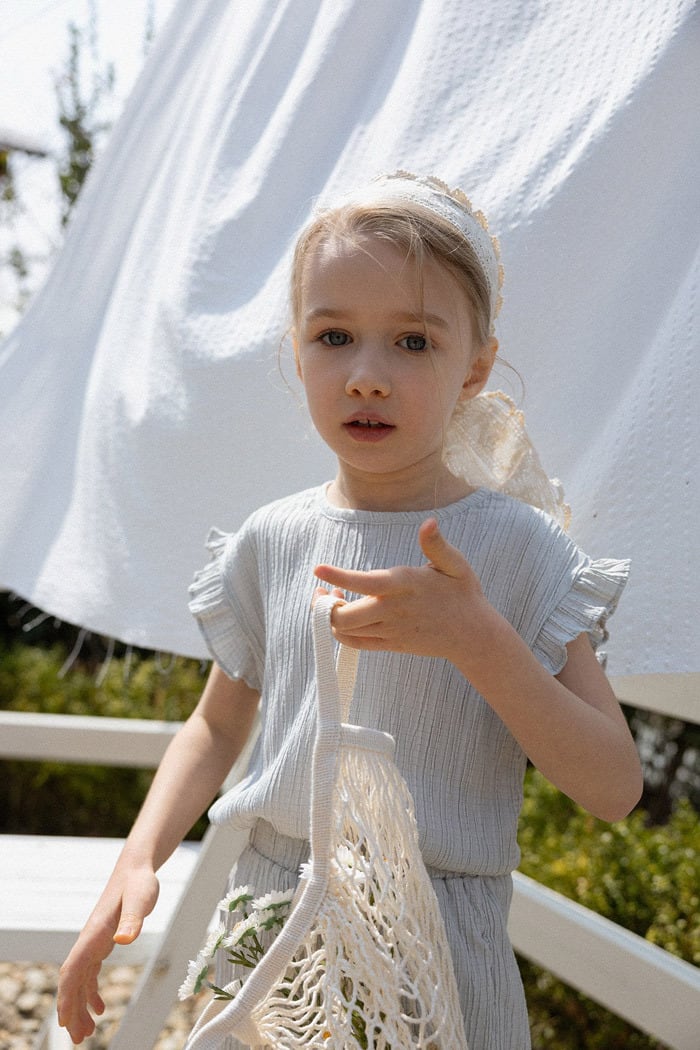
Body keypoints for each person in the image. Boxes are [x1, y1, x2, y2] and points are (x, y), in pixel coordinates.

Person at [57, 172, 643, 1049]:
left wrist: (479, 640)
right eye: (334, 337)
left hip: (433, 955)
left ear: (475, 365)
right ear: (297, 354)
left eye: (413, 341)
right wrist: (137, 859)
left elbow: (614, 788)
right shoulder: (273, 538)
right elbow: (216, 726)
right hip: (274, 936)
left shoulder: (521, 551)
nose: (367, 377)